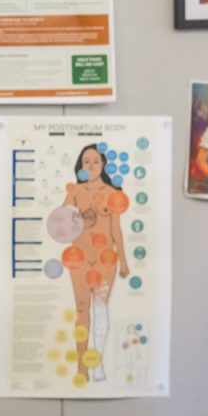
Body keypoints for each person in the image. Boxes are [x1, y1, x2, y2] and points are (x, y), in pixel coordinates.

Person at [59, 144, 130, 384]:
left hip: (104, 261)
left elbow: (115, 230)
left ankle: (96, 362)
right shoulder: (75, 192)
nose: (90, 166)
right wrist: (80, 218)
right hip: (78, 258)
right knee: (81, 310)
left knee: (100, 310)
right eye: (86, 161)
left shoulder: (112, 193)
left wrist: (123, 262)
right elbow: (61, 226)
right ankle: (81, 367)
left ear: (103, 165)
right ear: (80, 165)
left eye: (95, 161)